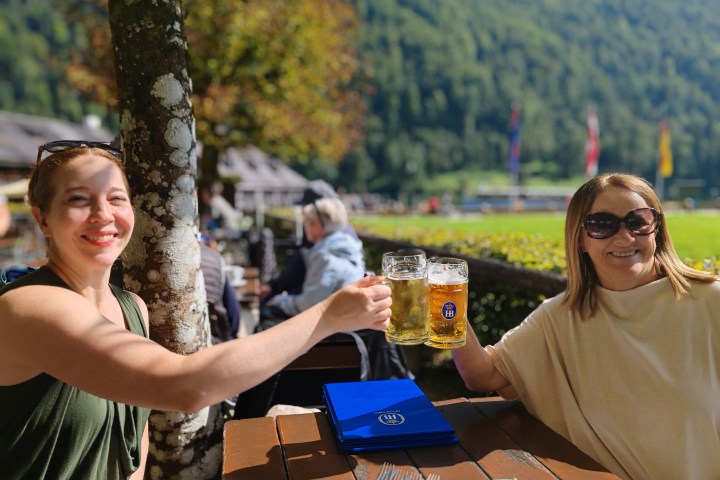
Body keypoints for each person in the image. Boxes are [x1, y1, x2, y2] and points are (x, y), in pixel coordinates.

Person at [0, 141, 391, 479]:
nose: (103, 214)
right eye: (78, 199)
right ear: (42, 218)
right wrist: (328, 317)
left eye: (116, 198)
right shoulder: (29, 306)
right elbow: (186, 386)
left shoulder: (132, 308)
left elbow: (134, 449)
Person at [451, 173, 720, 480]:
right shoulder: (560, 316)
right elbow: (482, 373)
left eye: (638, 221)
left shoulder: (710, 301)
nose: (625, 237)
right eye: (602, 224)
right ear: (580, 239)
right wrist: (446, 309)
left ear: (656, 228)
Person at [259, 197, 365, 326]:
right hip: (349, 323)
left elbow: (309, 305)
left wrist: (279, 301)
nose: (305, 227)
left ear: (317, 226)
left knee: (266, 312)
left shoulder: (325, 256)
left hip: (332, 331)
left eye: (307, 222)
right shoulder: (351, 247)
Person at [259, 180, 358, 302]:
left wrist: (275, 292)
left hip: (322, 304)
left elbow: (298, 273)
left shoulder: (321, 238)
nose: (305, 220)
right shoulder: (346, 231)